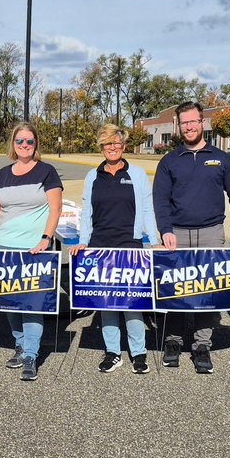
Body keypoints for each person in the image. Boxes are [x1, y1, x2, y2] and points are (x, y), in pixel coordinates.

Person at [152, 102, 230, 374]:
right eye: (184, 123)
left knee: (207, 289)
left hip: (211, 231)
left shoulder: (221, 158)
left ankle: (202, 344)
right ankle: (172, 341)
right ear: (178, 126)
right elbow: (160, 199)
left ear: (203, 122)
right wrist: (165, 230)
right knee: (175, 288)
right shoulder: (169, 161)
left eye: (194, 121)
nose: (190, 127)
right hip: (177, 234)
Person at [69, 125, 159, 375]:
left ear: (124, 146)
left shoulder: (138, 174)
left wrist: (154, 240)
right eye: (107, 144)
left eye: (116, 143)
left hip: (130, 244)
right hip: (100, 245)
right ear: (101, 147)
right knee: (107, 303)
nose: (112, 148)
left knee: (132, 303)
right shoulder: (92, 176)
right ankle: (113, 353)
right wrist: (84, 240)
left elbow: (147, 209)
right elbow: (87, 211)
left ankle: (139, 353)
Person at [0, 123, 63, 382]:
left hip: (34, 251)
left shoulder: (46, 171)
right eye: (19, 141)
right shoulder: (3, 174)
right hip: (4, 247)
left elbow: (55, 208)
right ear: (13, 143)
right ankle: (19, 344)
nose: (24, 145)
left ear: (36, 144)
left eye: (29, 141)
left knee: (32, 305)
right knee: (10, 304)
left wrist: (45, 238)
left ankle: (30, 354)